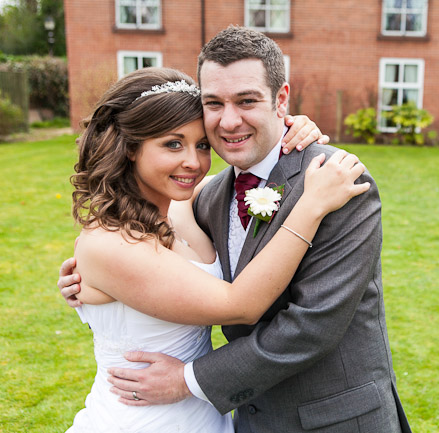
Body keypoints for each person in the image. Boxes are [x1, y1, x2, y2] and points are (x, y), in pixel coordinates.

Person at [60, 26, 411, 432]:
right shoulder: (207, 199)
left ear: (280, 100)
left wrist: (188, 381)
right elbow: (140, 268)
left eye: (247, 101)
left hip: (333, 420)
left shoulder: (334, 182)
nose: (227, 122)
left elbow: (311, 327)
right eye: (214, 103)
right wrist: (90, 279)